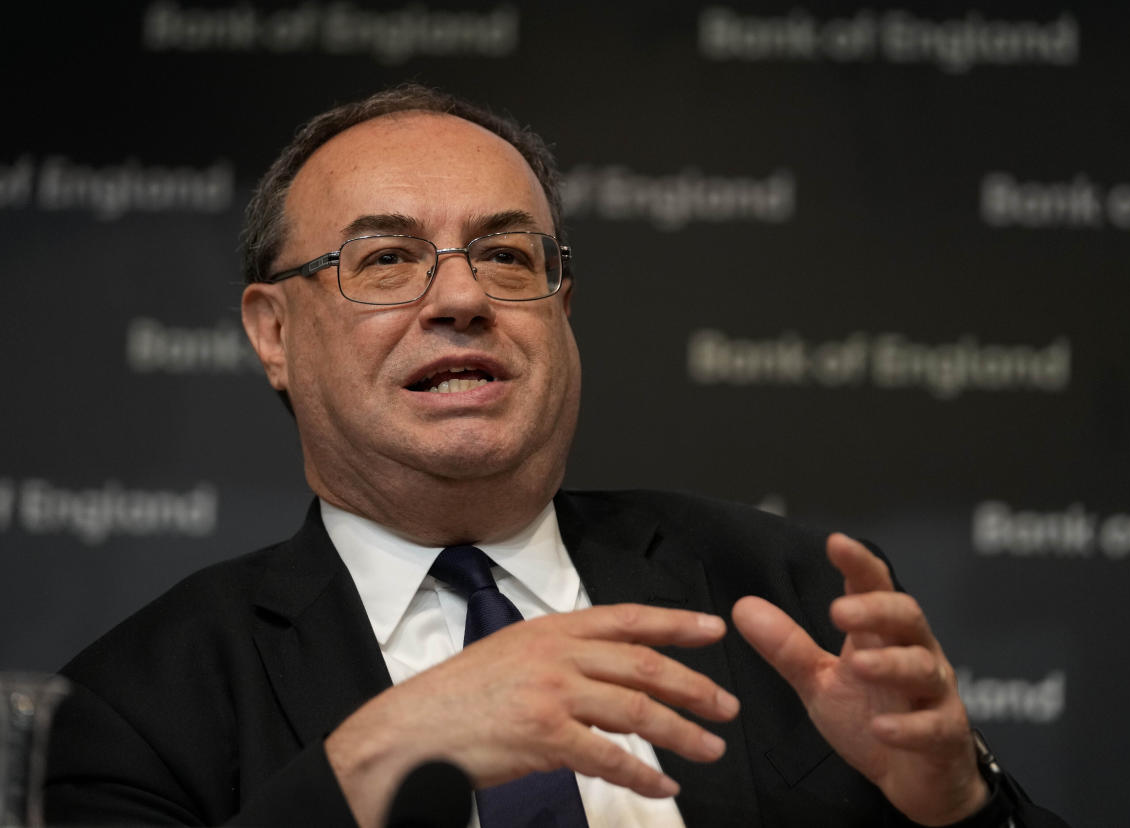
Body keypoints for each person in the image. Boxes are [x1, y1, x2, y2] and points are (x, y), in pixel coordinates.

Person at [45, 83, 1068, 828]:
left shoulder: (787, 598)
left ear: (561, 310)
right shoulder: (136, 709)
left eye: (504, 254)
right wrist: (377, 760)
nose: (460, 299)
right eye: (387, 259)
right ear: (272, 332)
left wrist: (958, 810)